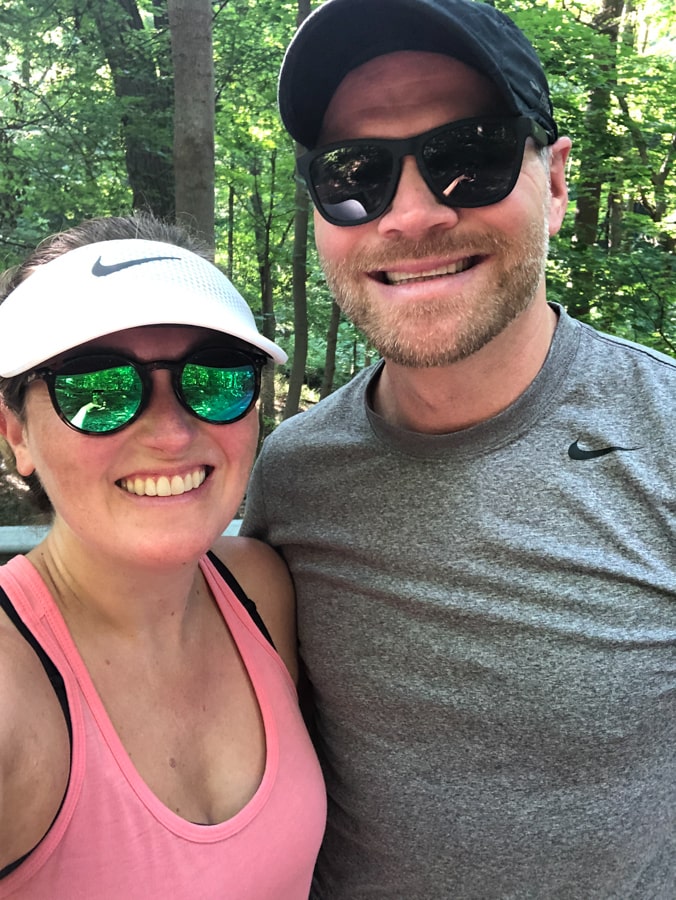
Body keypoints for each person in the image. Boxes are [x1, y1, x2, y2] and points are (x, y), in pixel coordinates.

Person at [240, 0, 676, 896]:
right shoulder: (293, 472)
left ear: (556, 183)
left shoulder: (663, 433)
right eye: (355, 173)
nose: (411, 215)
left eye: (469, 157)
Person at [0, 214, 326, 899]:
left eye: (214, 379)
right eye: (96, 390)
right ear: (16, 434)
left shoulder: (259, 587)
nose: (173, 434)